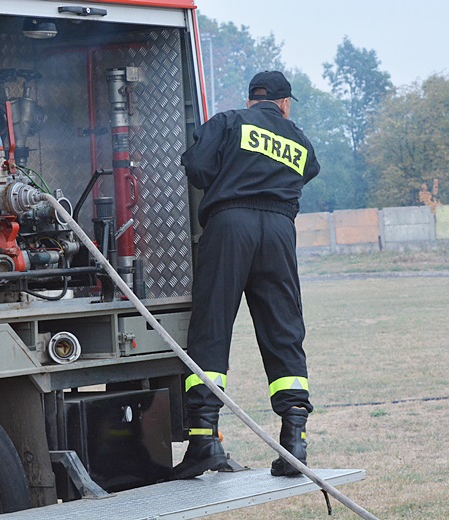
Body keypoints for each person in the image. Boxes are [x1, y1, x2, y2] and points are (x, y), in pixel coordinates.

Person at [173, 70, 320, 479]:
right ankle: (294, 440)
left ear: (252, 99)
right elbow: (309, 169)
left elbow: (197, 168)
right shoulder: (297, 137)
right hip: (278, 232)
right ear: (284, 103)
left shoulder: (229, 121)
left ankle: (204, 440)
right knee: (283, 329)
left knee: (212, 326)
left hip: (229, 224)